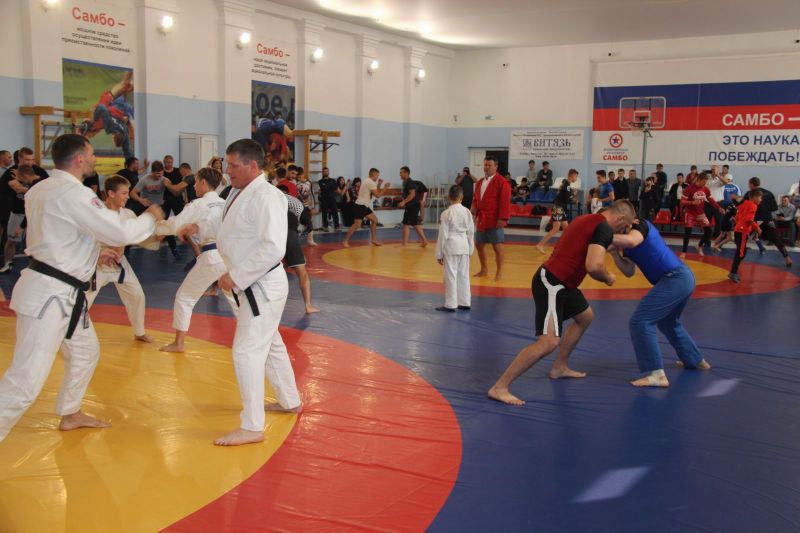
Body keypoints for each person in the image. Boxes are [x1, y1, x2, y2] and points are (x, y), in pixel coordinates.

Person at [0, 134, 163, 442]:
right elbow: (118, 231)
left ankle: (71, 412)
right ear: (78, 159)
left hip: (61, 288)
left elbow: (57, 235)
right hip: (50, 295)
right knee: (25, 381)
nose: (94, 159)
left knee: (86, 352)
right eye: (90, 154)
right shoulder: (73, 193)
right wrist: (150, 217)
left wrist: (91, 255)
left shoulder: (41, 188)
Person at [182, 139, 301, 446]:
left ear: (252, 165)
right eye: (227, 164)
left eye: (233, 165)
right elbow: (232, 230)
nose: (227, 170)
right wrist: (199, 230)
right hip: (250, 284)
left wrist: (235, 276)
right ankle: (289, 400)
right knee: (270, 344)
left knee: (246, 352)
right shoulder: (237, 191)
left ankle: (252, 426)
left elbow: (273, 247)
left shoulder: (267, 196)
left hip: (260, 285)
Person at [488, 200, 636, 405]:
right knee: (548, 342)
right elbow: (594, 266)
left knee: (585, 317)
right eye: (624, 226)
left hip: (565, 283)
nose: (621, 231)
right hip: (553, 282)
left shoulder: (587, 219)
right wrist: (607, 277)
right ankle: (500, 387)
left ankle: (559, 367)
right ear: (620, 218)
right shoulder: (602, 227)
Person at [610, 219, 711, 387]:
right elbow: (629, 271)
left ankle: (656, 374)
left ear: (622, 221)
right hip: (681, 278)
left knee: (640, 321)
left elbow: (632, 240)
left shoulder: (639, 225)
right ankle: (695, 360)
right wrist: (614, 254)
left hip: (675, 278)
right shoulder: (625, 243)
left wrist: (603, 236)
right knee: (668, 322)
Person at [157, 167, 238, 352]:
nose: (193, 187)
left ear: (203, 182)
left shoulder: (199, 204)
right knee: (237, 303)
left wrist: (156, 226)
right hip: (229, 257)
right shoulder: (226, 203)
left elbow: (175, 224)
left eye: (195, 183)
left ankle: (179, 343)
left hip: (212, 256)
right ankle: (253, 339)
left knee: (185, 297)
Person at [85, 175, 155, 343]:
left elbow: (136, 235)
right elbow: (86, 240)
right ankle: (66, 332)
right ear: (111, 193)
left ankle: (139, 332)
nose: (127, 197)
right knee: (83, 300)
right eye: (124, 193)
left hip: (119, 263)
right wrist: (100, 252)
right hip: (98, 263)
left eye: (127, 193)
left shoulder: (128, 213)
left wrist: (155, 236)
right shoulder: (96, 213)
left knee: (137, 295)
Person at [278, 184, 320, 314]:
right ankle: (308, 305)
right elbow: (308, 224)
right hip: (289, 234)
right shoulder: (295, 203)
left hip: (271, 235)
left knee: (271, 271)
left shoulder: (268, 200)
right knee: (302, 271)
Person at [435, 185, 474, 312]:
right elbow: (471, 232)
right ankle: (465, 302)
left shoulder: (446, 213)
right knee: (464, 275)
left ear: (449, 197)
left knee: (450, 275)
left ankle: (451, 304)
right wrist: (470, 249)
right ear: (462, 197)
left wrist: (439, 254)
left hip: (451, 246)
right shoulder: (467, 212)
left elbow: (443, 235)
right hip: (464, 246)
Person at [472, 156, 512, 282]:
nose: (487, 167)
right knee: (479, 245)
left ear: (496, 166)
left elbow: (505, 202)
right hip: (482, 219)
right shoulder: (479, 182)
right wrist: (474, 208)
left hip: (495, 219)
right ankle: (484, 270)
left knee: (497, 246)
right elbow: (476, 198)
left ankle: (499, 273)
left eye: (489, 165)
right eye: (485, 165)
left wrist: (503, 218)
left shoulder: (502, 182)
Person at [0, 165, 42, 273]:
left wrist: (21, 227)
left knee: (34, 243)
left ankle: (36, 268)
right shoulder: (33, 183)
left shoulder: (37, 187)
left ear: (24, 176)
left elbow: (31, 210)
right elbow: (15, 186)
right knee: (11, 240)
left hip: (33, 216)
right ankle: (8, 263)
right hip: (19, 213)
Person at [744, 177, 792, 267]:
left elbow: (745, 207)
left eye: (749, 184)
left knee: (743, 238)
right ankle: (787, 258)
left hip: (753, 220)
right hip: (767, 219)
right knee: (776, 239)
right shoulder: (769, 193)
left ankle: (738, 258)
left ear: (751, 184)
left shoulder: (749, 194)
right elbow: (774, 208)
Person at [342, 168, 390, 247]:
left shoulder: (368, 181)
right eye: (377, 175)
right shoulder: (370, 182)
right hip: (360, 206)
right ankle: (345, 241)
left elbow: (376, 191)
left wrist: (379, 184)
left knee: (375, 220)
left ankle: (374, 239)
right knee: (357, 225)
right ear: (374, 174)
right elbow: (378, 195)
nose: (377, 177)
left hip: (364, 206)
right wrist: (385, 187)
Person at [680, 172, 724, 256]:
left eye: (706, 182)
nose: (705, 183)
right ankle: (684, 251)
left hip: (700, 213)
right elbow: (682, 201)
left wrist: (719, 207)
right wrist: (692, 202)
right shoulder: (689, 188)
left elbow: (711, 200)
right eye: (704, 181)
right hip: (690, 213)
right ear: (699, 180)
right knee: (688, 232)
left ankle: (699, 246)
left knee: (709, 231)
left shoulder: (705, 189)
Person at [537, 169, 579, 253]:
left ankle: (567, 247)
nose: (576, 178)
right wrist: (574, 199)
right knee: (556, 228)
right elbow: (567, 199)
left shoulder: (565, 184)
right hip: (558, 208)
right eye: (576, 176)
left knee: (567, 229)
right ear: (572, 176)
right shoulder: (566, 185)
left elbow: (563, 195)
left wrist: (572, 194)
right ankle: (540, 244)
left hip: (560, 208)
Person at [728, 189, 762, 283]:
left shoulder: (744, 204)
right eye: (760, 198)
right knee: (741, 253)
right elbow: (749, 219)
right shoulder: (753, 205)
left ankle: (733, 271)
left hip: (738, 230)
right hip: (742, 231)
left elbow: (737, 217)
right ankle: (733, 272)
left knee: (742, 251)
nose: (761, 200)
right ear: (754, 197)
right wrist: (757, 227)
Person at [398, 166, 429, 247]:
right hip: (413, 205)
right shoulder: (406, 182)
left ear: (406, 173)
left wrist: (403, 202)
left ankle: (404, 244)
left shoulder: (409, 182)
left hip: (412, 205)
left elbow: (412, 194)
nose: (400, 174)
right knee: (414, 224)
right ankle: (424, 241)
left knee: (406, 224)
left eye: (401, 172)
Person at [318, 167, 339, 231]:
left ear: (328, 172)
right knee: (324, 213)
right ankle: (325, 226)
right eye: (325, 171)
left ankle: (337, 226)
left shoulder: (333, 180)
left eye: (327, 171)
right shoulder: (320, 181)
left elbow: (335, 188)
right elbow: (324, 188)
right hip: (324, 199)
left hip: (332, 198)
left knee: (335, 212)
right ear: (323, 172)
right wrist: (330, 187)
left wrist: (327, 187)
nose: (326, 172)